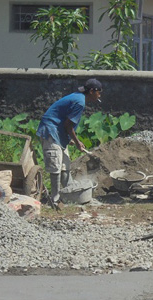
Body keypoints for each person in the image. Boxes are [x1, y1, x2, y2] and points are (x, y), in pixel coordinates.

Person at [36, 78, 102, 207]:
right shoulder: (80, 102)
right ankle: (54, 200)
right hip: (50, 131)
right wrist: (77, 142)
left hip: (58, 132)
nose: (99, 96)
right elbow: (68, 125)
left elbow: (64, 121)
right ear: (92, 91)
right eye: (99, 92)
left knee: (65, 165)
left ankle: (70, 194)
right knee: (55, 166)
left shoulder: (78, 97)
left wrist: (70, 139)